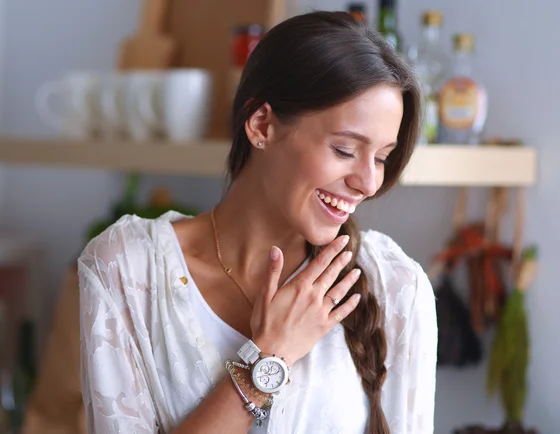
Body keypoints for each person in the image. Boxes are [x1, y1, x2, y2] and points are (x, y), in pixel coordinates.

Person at [78, 10, 437, 434]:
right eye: (344, 150)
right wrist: (270, 356)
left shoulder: (396, 287)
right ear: (262, 125)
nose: (368, 182)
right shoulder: (126, 269)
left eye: (381, 157)